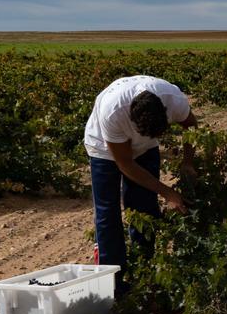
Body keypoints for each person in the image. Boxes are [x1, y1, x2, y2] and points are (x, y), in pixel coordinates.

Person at [83, 75, 197, 284]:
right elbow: (125, 163)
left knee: (144, 205)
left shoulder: (173, 99)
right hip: (104, 149)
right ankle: (114, 282)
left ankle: (144, 271)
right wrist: (168, 192)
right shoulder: (113, 113)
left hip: (146, 150)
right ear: (132, 120)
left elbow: (191, 126)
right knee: (108, 214)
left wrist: (188, 162)